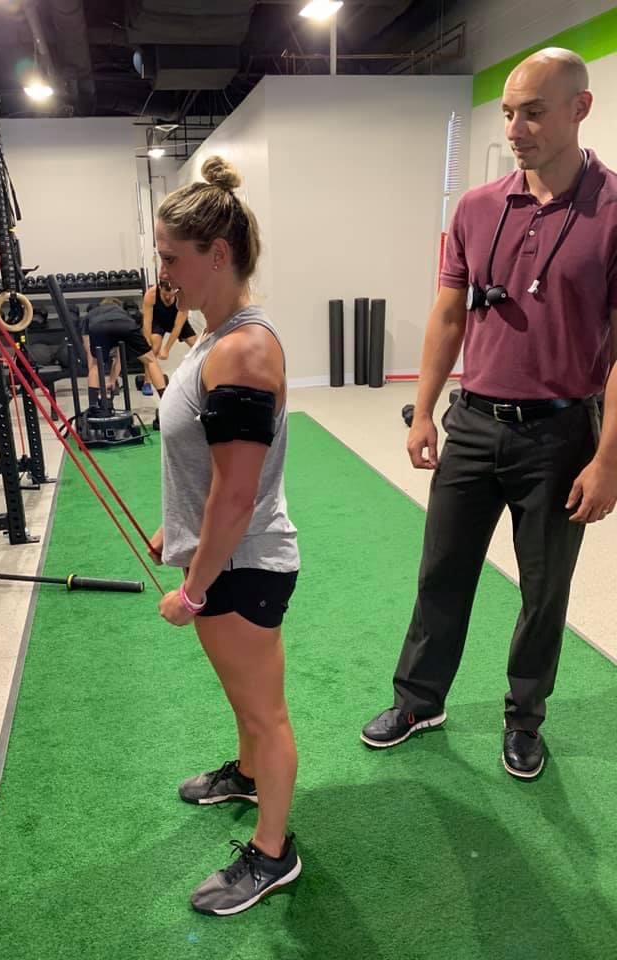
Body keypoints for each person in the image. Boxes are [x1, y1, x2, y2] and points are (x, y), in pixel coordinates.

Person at [361, 47, 617, 780]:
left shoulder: (613, 211)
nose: (515, 126)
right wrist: (422, 413)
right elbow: (447, 315)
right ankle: (419, 700)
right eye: (508, 111)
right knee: (441, 571)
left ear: (580, 108)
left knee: (544, 593)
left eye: (533, 110)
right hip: (472, 422)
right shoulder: (476, 208)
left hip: (563, 435)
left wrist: (608, 460)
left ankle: (524, 719)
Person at [149, 155, 301, 915]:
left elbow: (239, 496)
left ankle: (275, 853)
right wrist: (172, 526)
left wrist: (194, 586)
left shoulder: (243, 348)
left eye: (172, 258)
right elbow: (209, 474)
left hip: (242, 567)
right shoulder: (215, 340)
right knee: (243, 699)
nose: (164, 273)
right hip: (224, 556)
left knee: (265, 710)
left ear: (218, 253)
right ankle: (244, 775)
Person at [82, 297, 167, 429]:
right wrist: (112, 380)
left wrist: (102, 380)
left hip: (98, 327)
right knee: (150, 360)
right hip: (126, 325)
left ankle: (93, 408)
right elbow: (120, 356)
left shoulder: (91, 315)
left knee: (95, 365)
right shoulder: (122, 314)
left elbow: (89, 352)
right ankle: (167, 402)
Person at [139, 280, 197, 395]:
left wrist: (166, 349)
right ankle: (147, 381)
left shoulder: (184, 296)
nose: (167, 296)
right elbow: (147, 322)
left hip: (175, 320)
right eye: (165, 293)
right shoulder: (151, 294)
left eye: (171, 293)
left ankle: (200, 379)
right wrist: (147, 343)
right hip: (158, 321)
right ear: (160, 288)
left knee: (197, 346)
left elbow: (178, 326)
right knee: (152, 349)